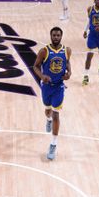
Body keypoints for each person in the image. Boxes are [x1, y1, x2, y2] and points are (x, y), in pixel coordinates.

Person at [33, 27, 71, 160]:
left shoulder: (67, 50)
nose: (56, 37)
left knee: (56, 114)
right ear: (50, 36)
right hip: (47, 86)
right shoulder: (44, 51)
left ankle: (53, 144)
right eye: (54, 35)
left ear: (61, 36)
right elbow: (35, 66)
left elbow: (67, 62)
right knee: (47, 110)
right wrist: (42, 76)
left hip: (59, 87)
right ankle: (47, 119)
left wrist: (69, 73)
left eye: (58, 35)